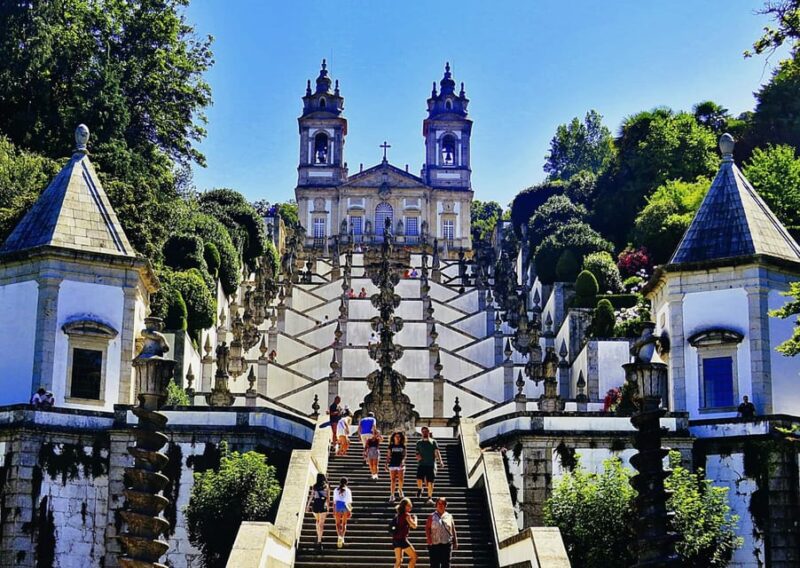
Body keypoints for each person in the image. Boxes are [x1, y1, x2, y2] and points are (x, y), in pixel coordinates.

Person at [426, 497, 458, 568]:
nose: (441, 505)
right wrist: (429, 539)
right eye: (439, 503)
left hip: (446, 544)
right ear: (436, 505)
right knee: (434, 564)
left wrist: (455, 541)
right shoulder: (431, 516)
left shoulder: (449, 516)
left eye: (443, 503)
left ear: (445, 505)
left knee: (446, 564)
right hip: (434, 544)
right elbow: (427, 528)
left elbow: (453, 529)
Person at [416, 427, 444, 505]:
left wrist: (440, 461)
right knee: (419, 479)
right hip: (422, 463)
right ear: (421, 433)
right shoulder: (419, 442)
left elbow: (437, 452)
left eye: (426, 431)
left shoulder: (433, 442)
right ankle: (420, 488)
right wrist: (418, 456)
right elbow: (417, 452)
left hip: (431, 464)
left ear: (428, 432)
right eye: (423, 431)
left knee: (430, 481)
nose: (424, 433)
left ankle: (429, 497)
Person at [392, 497, 418, 568]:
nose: (410, 506)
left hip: (395, 539)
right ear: (404, 506)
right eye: (409, 505)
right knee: (414, 556)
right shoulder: (407, 515)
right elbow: (414, 526)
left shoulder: (398, 515)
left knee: (398, 561)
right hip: (402, 540)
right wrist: (415, 518)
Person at [307, 473, 329, 551]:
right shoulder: (326, 486)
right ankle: (319, 541)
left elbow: (311, 496)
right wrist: (328, 507)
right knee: (321, 524)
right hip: (323, 505)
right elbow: (327, 498)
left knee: (317, 521)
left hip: (315, 505)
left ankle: (318, 534)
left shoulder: (314, 486)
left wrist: (308, 505)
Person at [386, 431, 407, 503]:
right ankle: (392, 495)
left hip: (400, 463)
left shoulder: (403, 446)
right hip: (392, 463)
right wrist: (386, 463)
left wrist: (403, 461)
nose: (397, 438)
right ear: (393, 437)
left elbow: (404, 455)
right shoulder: (391, 446)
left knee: (401, 479)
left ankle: (400, 489)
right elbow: (388, 455)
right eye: (396, 436)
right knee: (393, 480)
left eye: (399, 437)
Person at [333, 477, 353, 548]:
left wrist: (333, 510)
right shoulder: (348, 490)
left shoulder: (336, 490)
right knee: (344, 523)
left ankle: (339, 536)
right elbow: (349, 502)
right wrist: (350, 511)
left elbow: (334, 501)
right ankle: (342, 537)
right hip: (345, 506)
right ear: (346, 483)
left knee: (338, 523)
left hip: (338, 505)